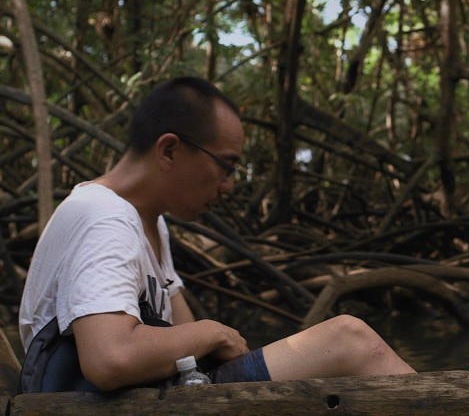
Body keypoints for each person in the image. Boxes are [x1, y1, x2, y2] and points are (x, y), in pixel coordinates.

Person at [18, 76, 415, 392]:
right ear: (169, 150)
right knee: (349, 339)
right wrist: (213, 332)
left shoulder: (149, 221)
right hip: (89, 405)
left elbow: (183, 341)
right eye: (225, 166)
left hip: (158, 397)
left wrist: (214, 340)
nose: (229, 185)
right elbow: (110, 358)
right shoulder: (104, 216)